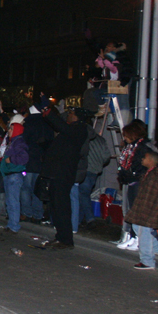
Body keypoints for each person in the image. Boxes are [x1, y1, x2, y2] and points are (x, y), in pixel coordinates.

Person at [40, 105, 89, 249]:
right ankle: (60, 236)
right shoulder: (71, 130)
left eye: (71, 113)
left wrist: (49, 114)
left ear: (77, 117)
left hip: (64, 173)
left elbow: (62, 127)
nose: (68, 115)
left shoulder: (79, 129)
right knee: (56, 206)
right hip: (57, 173)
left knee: (62, 207)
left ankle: (66, 239)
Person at [123, 151, 158, 270]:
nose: (142, 159)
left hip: (147, 210)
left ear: (151, 161)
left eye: (145, 157)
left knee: (144, 233)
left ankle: (147, 261)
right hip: (144, 208)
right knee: (137, 228)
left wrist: (143, 212)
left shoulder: (154, 177)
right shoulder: (150, 174)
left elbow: (150, 197)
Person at [115, 119, 150, 251]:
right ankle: (133, 236)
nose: (124, 138)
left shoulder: (143, 147)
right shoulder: (131, 146)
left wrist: (133, 174)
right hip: (131, 181)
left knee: (137, 211)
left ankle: (138, 239)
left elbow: (142, 165)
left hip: (139, 182)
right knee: (132, 210)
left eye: (126, 135)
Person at [21, 102, 53, 223]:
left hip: (28, 161)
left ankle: (26, 212)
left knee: (25, 189)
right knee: (37, 189)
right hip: (41, 162)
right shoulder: (47, 124)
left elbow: (24, 142)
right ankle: (38, 214)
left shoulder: (28, 123)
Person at [0, 114, 28, 233]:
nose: (9, 131)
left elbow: (24, 157)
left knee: (13, 201)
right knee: (10, 202)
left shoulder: (19, 142)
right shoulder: (13, 142)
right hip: (9, 175)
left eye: (11, 129)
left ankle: (14, 226)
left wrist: (11, 160)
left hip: (14, 175)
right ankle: (11, 224)